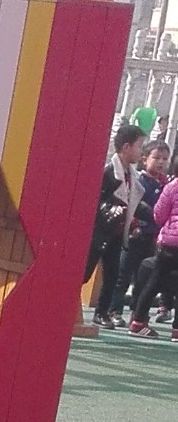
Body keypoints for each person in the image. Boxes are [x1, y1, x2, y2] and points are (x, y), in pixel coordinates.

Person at [85, 122, 141, 326]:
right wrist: (110, 209)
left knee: (112, 274)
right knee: (84, 272)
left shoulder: (131, 175)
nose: (140, 151)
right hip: (101, 231)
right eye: (139, 146)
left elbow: (131, 203)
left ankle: (102, 312)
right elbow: (96, 200)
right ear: (126, 147)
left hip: (117, 232)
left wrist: (133, 222)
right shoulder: (109, 172)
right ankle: (64, 304)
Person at [114, 137, 170, 315]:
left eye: (164, 159)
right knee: (123, 275)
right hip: (135, 234)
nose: (161, 162)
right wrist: (134, 225)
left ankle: (137, 312)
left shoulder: (165, 185)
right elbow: (131, 205)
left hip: (152, 237)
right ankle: (114, 310)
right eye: (156, 157)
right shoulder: (138, 181)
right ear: (144, 159)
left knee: (144, 277)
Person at [125, 159, 178, 336]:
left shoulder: (170, 187)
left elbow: (158, 215)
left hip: (169, 243)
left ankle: (138, 321)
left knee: (154, 281)